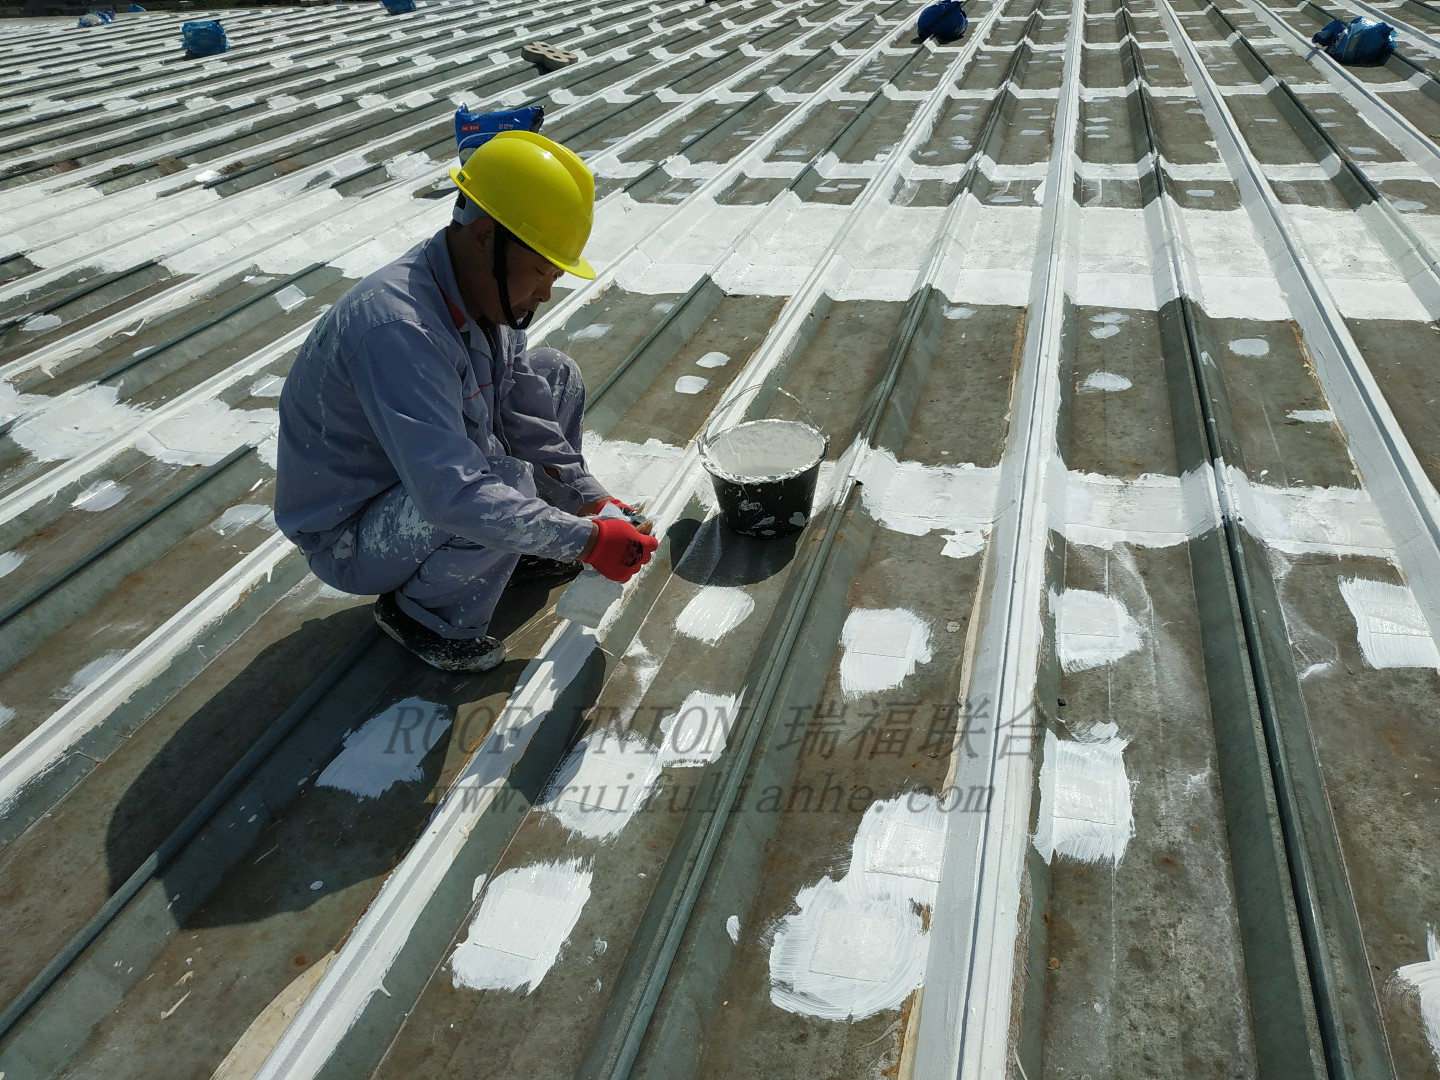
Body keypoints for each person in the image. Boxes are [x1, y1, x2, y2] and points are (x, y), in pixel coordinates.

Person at [274, 130, 658, 673]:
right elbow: (452, 491)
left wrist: (590, 502)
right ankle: (425, 613)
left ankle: (514, 546)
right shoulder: (398, 327)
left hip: (419, 483)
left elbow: (524, 413)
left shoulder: (482, 294)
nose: (547, 292)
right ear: (485, 238)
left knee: (555, 375)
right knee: (503, 481)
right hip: (355, 534)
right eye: (544, 271)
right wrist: (584, 542)